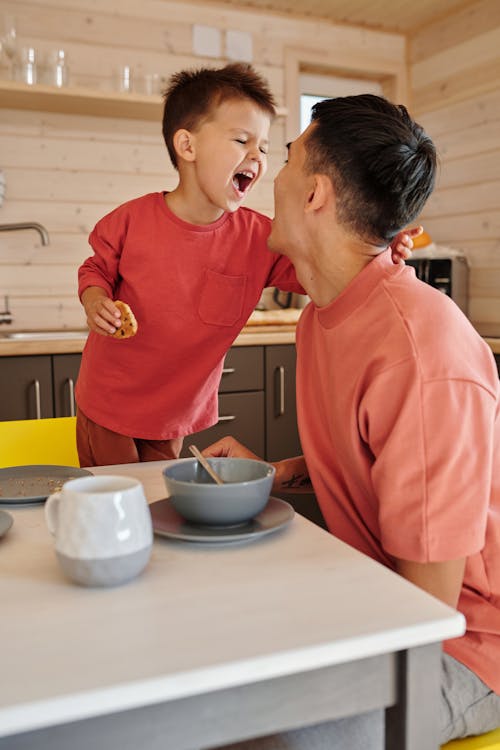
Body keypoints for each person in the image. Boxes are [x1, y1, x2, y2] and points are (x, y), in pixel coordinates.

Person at [204, 94, 500, 748]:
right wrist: (278, 472)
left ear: (314, 193)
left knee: (264, 735)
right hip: (383, 605)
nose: (269, 174)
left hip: (464, 645)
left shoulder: (420, 351)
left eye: (283, 159)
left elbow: (424, 612)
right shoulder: (322, 317)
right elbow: (387, 465)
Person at [75, 64, 416, 468]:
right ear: (187, 146)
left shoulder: (260, 238)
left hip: (173, 413)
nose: (257, 157)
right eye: (241, 140)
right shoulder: (130, 220)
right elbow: (95, 270)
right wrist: (96, 300)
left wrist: (379, 246)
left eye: (266, 148)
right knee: (116, 503)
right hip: (109, 398)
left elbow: (319, 269)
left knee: (157, 501)